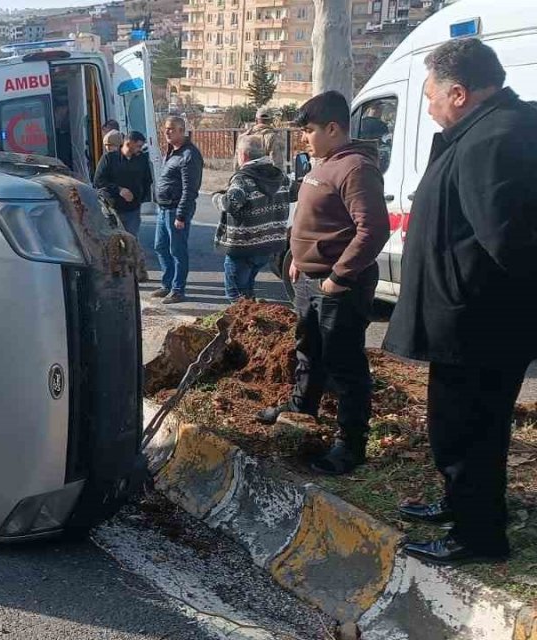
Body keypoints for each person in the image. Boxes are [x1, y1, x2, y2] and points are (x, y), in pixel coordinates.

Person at [383, 39, 537, 565]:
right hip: (467, 321)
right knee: (457, 426)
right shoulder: (484, 130)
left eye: (430, 96)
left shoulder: (495, 138)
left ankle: (479, 536)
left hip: (477, 326)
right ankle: (458, 506)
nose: (427, 106)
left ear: (459, 92)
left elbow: (511, 242)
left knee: (468, 431)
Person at [255, 90, 389, 476]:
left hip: (338, 287)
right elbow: (312, 219)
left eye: (310, 130)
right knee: (308, 348)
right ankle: (301, 407)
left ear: (333, 128)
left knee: (343, 364)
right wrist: (297, 257)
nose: (304, 138)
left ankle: (350, 445)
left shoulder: (355, 169)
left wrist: (338, 277)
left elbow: (373, 229)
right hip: (308, 279)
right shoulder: (323, 164)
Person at [213, 134, 291, 303]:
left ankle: (241, 325)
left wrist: (217, 198)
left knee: (235, 295)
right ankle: (250, 320)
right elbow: (294, 193)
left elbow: (231, 203)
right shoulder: (281, 177)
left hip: (243, 246)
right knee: (247, 291)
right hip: (268, 245)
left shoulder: (242, 179)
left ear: (244, 155)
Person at [153, 115, 203, 304]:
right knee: (160, 246)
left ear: (182, 131)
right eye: (166, 128)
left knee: (177, 250)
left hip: (176, 210)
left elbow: (190, 189)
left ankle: (178, 289)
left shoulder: (189, 155)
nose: (167, 132)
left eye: (172, 129)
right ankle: (167, 284)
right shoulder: (173, 151)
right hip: (164, 208)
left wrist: (181, 215)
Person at [93, 130, 152, 237]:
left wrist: (140, 199)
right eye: (138, 146)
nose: (140, 149)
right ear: (129, 143)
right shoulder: (109, 159)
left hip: (132, 210)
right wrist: (119, 190)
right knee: (113, 241)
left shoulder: (141, 159)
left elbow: (147, 180)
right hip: (112, 209)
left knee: (131, 241)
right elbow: (98, 181)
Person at [246, 106, 286, 170]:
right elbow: (277, 165)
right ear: (271, 121)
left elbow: (237, 165)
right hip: (263, 178)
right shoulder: (272, 138)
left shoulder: (243, 137)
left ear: (256, 120)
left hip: (243, 177)